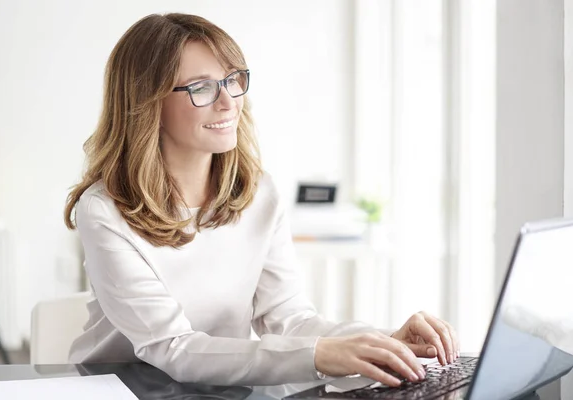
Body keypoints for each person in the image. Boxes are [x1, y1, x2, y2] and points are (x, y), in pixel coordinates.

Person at [64, 12, 460, 387]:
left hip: (218, 387)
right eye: (201, 87)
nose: (228, 101)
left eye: (233, 79)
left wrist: (383, 341)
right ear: (147, 103)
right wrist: (319, 355)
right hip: (122, 386)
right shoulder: (104, 211)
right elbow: (172, 347)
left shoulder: (258, 193)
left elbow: (289, 319)